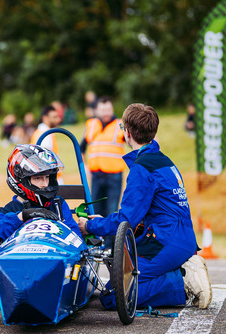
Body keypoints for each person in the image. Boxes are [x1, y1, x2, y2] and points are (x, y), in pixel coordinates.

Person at [77, 103, 212, 310]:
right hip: (180, 238)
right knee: (119, 277)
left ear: (127, 133)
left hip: (166, 242)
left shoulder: (142, 169)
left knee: (114, 297)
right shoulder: (163, 160)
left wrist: (90, 226)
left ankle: (182, 281)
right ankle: (180, 270)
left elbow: (126, 220)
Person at [0, 144, 82, 248]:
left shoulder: (58, 205)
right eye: (38, 178)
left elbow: (76, 239)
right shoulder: (10, 210)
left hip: (55, 258)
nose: (45, 184)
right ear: (21, 180)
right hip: (22, 260)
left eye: (47, 177)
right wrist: (21, 216)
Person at [80, 96, 126, 249]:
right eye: (102, 109)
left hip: (114, 175)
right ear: (97, 110)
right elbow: (82, 147)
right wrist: (85, 166)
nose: (106, 112)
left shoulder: (120, 125)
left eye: (108, 109)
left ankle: (111, 247)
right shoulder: (91, 124)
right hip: (96, 175)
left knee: (111, 210)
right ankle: (94, 245)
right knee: (95, 210)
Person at [30, 105, 63, 183]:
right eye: (54, 117)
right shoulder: (45, 133)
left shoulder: (40, 131)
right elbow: (44, 158)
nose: (58, 119)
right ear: (45, 118)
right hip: (51, 180)